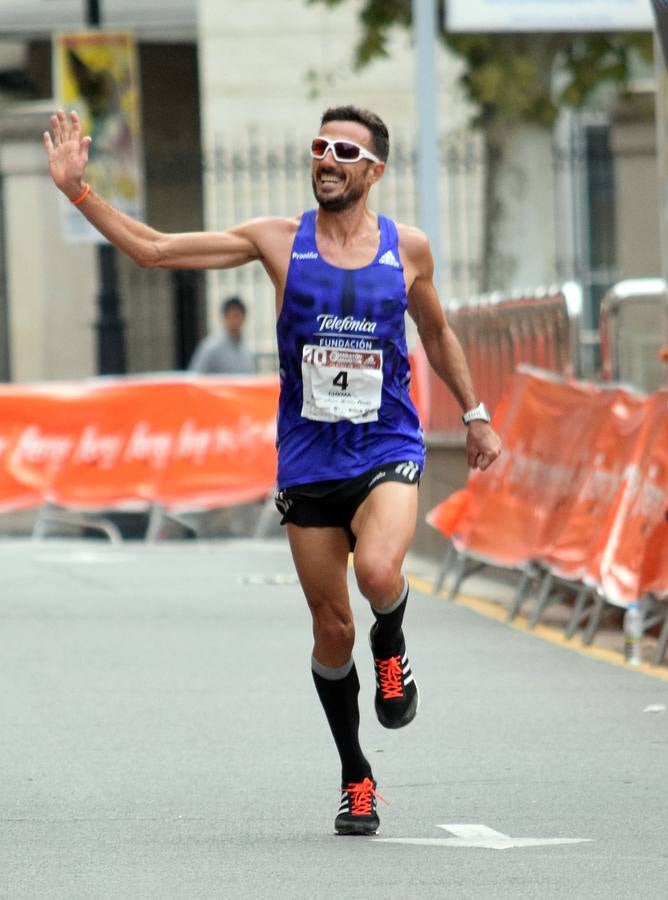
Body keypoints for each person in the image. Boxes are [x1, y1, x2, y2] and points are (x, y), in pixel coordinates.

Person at [43, 105, 503, 836]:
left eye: (343, 150)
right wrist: (79, 192)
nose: (325, 158)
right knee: (330, 631)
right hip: (309, 459)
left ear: (372, 170)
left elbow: (436, 331)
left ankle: (395, 646)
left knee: (380, 572)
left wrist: (474, 413)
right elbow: (156, 250)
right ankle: (356, 773)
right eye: (318, 146)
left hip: (385, 445)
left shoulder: (407, 249)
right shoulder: (278, 240)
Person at [188, 295, 257, 374]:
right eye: (232, 316)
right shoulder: (211, 348)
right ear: (224, 317)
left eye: (238, 316)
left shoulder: (248, 350)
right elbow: (196, 376)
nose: (235, 321)